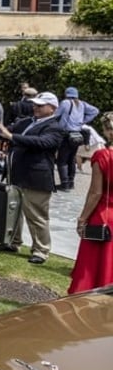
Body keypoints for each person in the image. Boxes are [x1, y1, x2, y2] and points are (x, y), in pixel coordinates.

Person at [0, 91, 65, 264]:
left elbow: (42, 143)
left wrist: (11, 136)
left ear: (52, 108)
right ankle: (12, 242)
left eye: (40, 105)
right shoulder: (26, 122)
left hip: (36, 177)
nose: (35, 108)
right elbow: (10, 132)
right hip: (17, 173)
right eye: (35, 104)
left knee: (36, 216)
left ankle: (41, 250)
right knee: (12, 211)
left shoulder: (55, 127)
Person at [69, 111, 113, 294]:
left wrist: (82, 218)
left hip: (103, 214)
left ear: (107, 130)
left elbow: (95, 192)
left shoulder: (103, 155)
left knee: (91, 266)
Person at [54, 87, 99, 190]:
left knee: (62, 160)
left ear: (66, 94)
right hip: (77, 134)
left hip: (66, 134)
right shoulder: (82, 104)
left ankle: (64, 183)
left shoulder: (65, 103)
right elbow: (95, 111)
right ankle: (71, 182)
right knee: (71, 159)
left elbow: (56, 115)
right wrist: (82, 121)